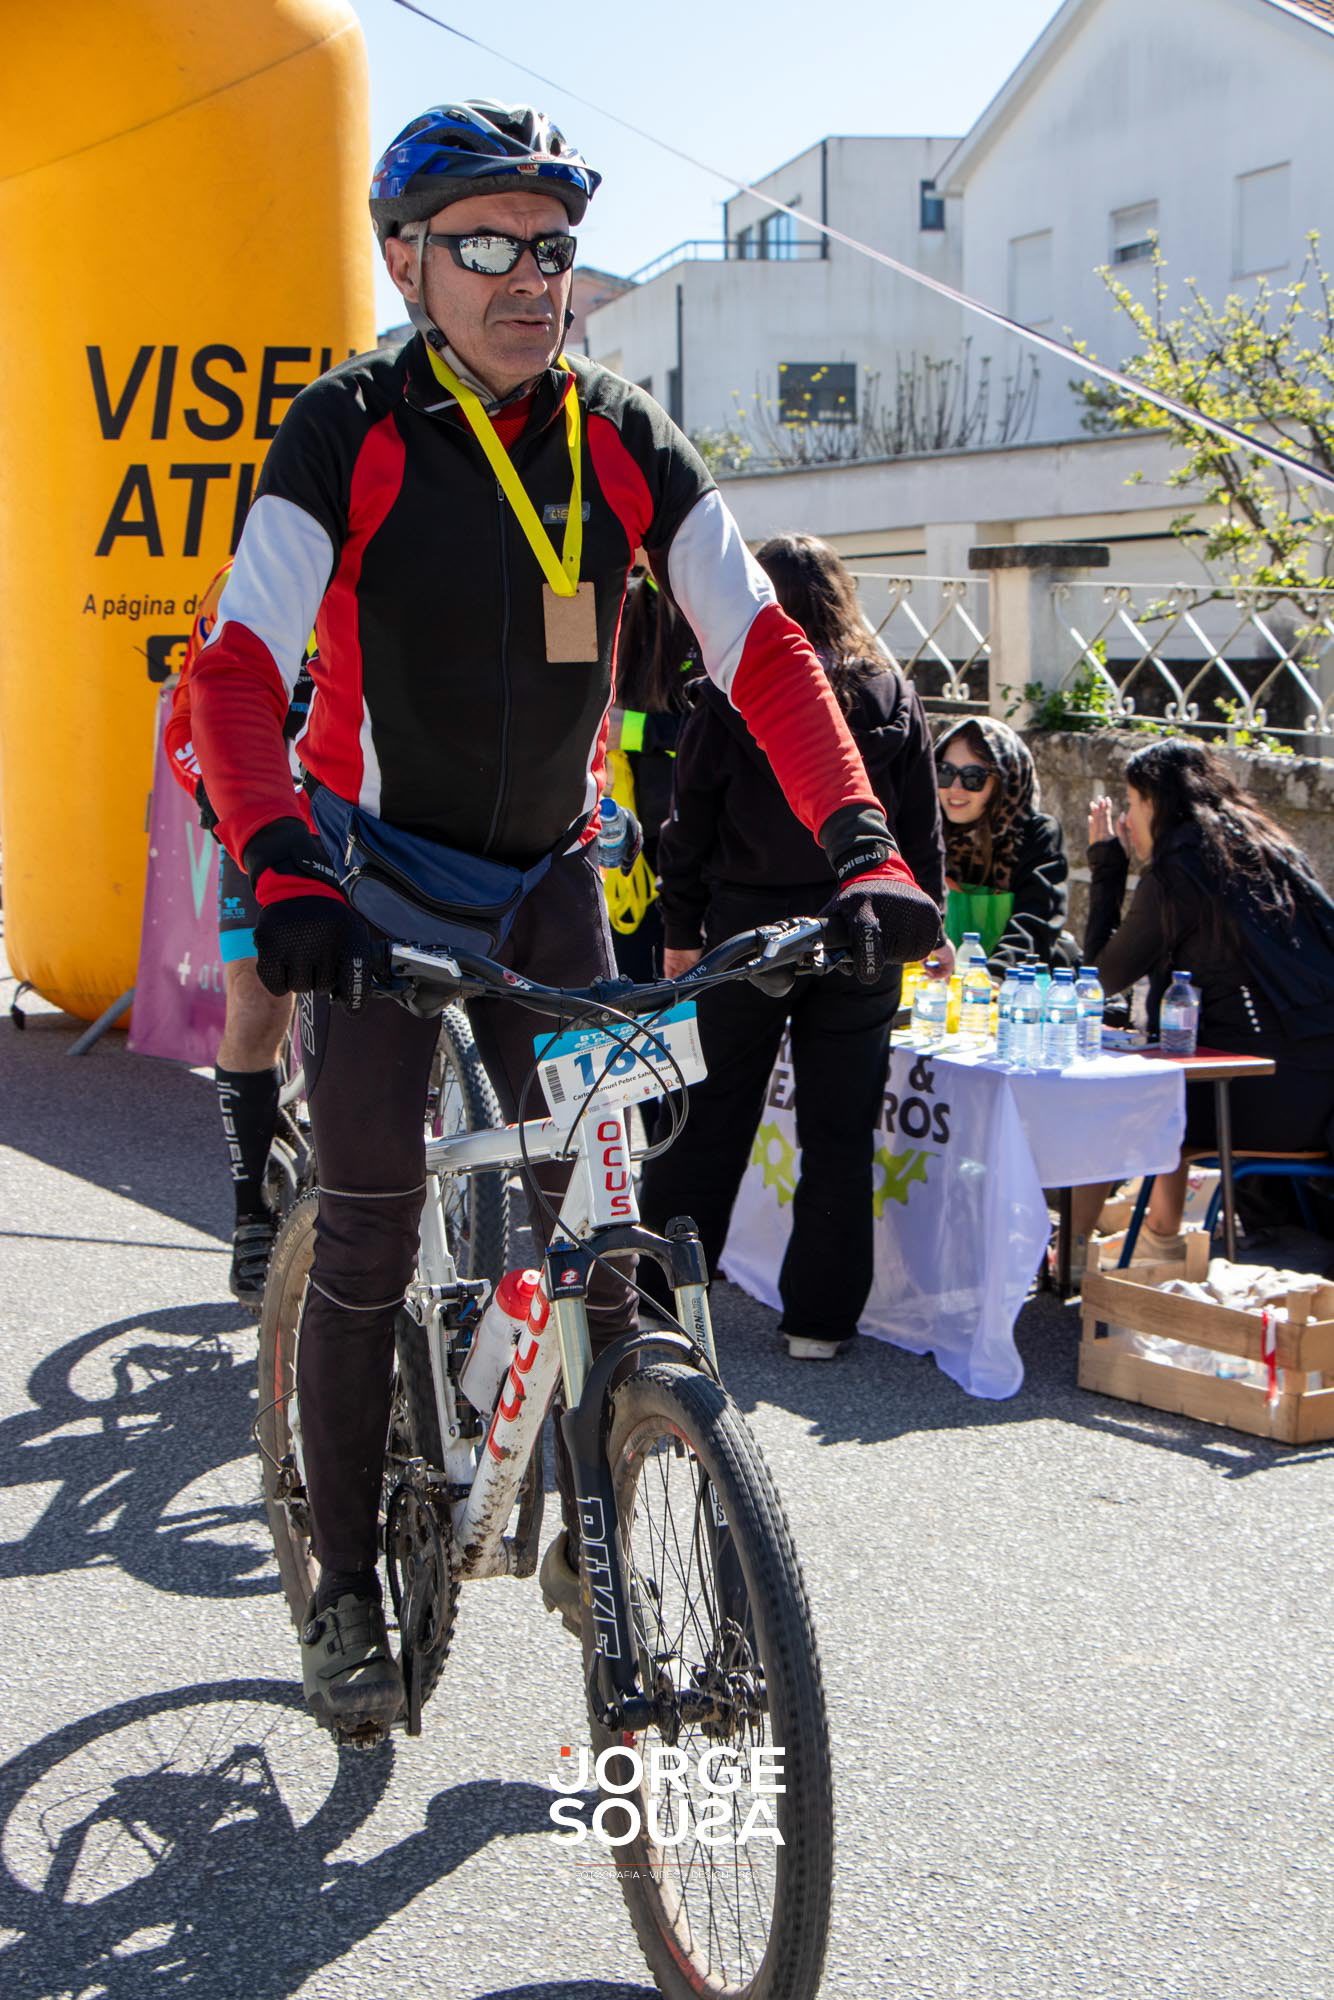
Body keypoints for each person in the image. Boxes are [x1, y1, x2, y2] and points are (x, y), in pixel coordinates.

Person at [188, 102, 942, 1730]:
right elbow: (234, 669)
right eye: (485, 243)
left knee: (604, 1227)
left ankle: (605, 1495)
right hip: (376, 878)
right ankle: (342, 1583)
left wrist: (864, 844)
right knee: (371, 1223)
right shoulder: (347, 429)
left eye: (550, 244)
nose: (529, 276)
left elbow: (758, 645)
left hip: (546, 884)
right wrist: (284, 867)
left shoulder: (618, 436)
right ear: (406, 262)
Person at [638, 532, 947, 1360]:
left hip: (748, 930)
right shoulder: (891, 692)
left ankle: (660, 1303)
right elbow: (919, 827)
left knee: (708, 1120)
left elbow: (686, 827)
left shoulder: (736, 692)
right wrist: (930, 923)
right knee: (840, 1133)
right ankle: (820, 1321)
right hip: (864, 926)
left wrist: (678, 931)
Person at [1075, 737, 1334, 1252]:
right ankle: (1155, 1223)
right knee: (1174, 1073)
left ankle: (1080, 1254)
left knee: (1115, 1098)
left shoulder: (1181, 871)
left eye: (1132, 802)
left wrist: (1108, 867)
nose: (1126, 819)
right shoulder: (1271, 851)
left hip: (1262, 1103)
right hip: (1320, 1097)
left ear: (1156, 803)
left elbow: (1099, 979)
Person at [164, 562, 299, 1308]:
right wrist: (218, 796)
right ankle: (252, 1217)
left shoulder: (402, 552)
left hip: (368, 815)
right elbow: (185, 724)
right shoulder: (240, 582)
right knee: (256, 1006)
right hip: (267, 815)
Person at [602, 570, 702, 979]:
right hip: (628, 837)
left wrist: (634, 731)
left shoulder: (711, 606)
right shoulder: (624, 603)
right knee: (633, 980)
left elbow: (715, 731)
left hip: (692, 841)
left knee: (686, 986)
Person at [934, 716, 1077, 973]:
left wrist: (993, 977)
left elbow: (1034, 922)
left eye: (973, 777)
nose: (955, 788)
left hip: (1018, 984)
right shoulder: (929, 833)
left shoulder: (1036, 835)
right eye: (945, 772)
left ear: (1005, 782)